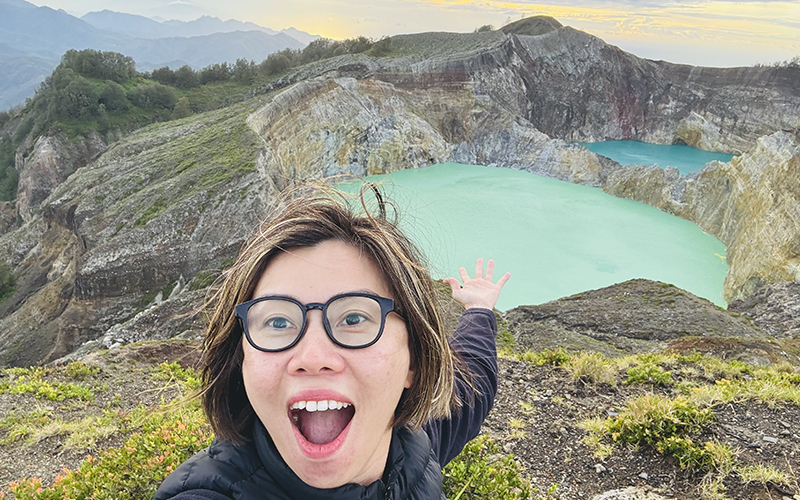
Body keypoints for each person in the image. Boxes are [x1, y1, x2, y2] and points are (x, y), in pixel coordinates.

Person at [153, 185, 510, 500]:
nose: (312, 356)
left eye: (354, 319)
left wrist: (478, 310)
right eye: (278, 322)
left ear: (413, 361)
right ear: (242, 360)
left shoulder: (413, 449)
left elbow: (472, 383)